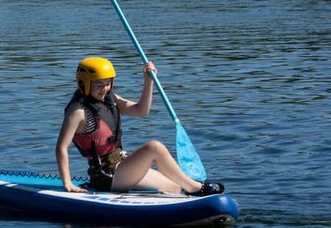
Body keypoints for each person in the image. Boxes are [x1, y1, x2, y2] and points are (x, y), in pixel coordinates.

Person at [56, 56, 225, 196]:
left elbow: (141, 111)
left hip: (121, 166)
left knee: (173, 187)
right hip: (106, 176)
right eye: (99, 84)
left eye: (108, 83)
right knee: (154, 147)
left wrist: (148, 82)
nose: (105, 89)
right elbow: (61, 147)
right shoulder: (78, 111)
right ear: (84, 83)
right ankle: (196, 188)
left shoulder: (110, 99)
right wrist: (67, 183)